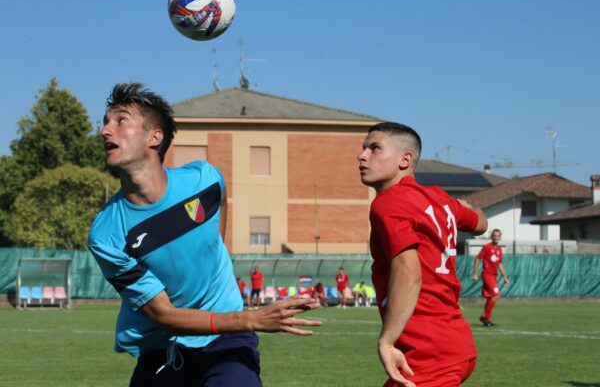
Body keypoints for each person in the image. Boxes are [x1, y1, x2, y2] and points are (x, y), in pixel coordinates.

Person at [88, 83, 321, 387]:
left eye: (120, 120)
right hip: (162, 348)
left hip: (226, 341)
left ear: (154, 137)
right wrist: (252, 319)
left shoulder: (205, 180)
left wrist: (217, 260)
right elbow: (163, 314)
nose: (106, 131)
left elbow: (220, 208)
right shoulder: (107, 234)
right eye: (105, 122)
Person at [357, 122, 488, 387]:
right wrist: (466, 209)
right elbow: (480, 224)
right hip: (451, 343)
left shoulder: (389, 203)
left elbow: (408, 272)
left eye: (375, 148)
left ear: (405, 159)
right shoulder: (439, 199)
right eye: (363, 148)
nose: (362, 155)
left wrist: (386, 341)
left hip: (429, 352)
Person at [472, 229, 509, 327]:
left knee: (490, 298)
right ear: (491, 237)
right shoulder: (487, 247)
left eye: (498, 236)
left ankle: (487, 319)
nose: (496, 237)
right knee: (496, 295)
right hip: (487, 275)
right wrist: (475, 273)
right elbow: (477, 258)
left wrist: (505, 276)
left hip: (494, 276)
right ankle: (485, 316)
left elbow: (499, 263)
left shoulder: (499, 250)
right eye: (494, 236)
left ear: (500, 237)